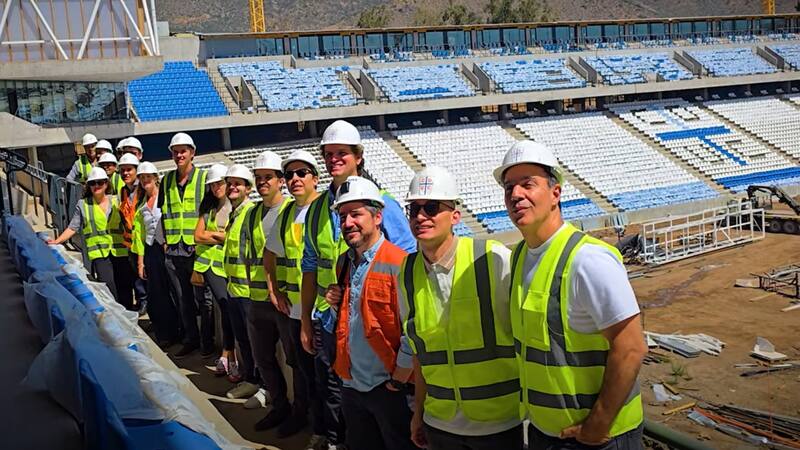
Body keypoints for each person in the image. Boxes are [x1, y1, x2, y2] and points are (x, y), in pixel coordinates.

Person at [495, 141, 646, 449]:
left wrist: (597, 424)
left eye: (528, 184)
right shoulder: (521, 255)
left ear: (556, 193)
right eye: (509, 187)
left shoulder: (588, 260)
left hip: (598, 438)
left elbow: (631, 348)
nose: (516, 195)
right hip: (545, 433)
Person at [300, 120, 415, 449]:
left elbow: (405, 266)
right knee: (341, 405)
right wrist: (312, 316)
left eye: (342, 153)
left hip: (383, 351)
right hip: (335, 327)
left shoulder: (383, 203)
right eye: (328, 154)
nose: (334, 159)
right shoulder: (319, 209)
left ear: (358, 157)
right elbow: (311, 265)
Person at [397, 166, 521, 450]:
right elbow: (421, 353)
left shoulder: (493, 258)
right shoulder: (406, 273)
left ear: (455, 215)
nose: (420, 216)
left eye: (430, 207)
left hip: (500, 423)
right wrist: (419, 413)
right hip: (441, 425)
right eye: (413, 209)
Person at [325, 176, 416, 450]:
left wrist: (399, 380)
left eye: (356, 214)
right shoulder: (344, 262)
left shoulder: (399, 263)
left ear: (378, 218)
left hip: (388, 388)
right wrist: (335, 301)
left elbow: (412, 329)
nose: (348, 223)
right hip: (352, 384)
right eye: (343, 216)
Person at [264, 150, 322, 442]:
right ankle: (305, 419)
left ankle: (327, 431)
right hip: (293, 311)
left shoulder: (326, 209)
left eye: (302, 173)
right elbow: (270, 254)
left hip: (321, 311)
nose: (295, 179)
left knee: (326, 378)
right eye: (290, 175)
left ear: (315, 177)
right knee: (299, 369)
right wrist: (273, 290)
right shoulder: (286, 213)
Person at [243, 151, 293, 430]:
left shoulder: (289, 211)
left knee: (294, 361)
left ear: (279, 181)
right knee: (264, 359)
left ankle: (300, 414)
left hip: (285, 300)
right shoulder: (253, 214)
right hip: (258, 299)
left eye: (268, 178)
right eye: (259, 178)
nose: (263, 183)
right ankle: (279, 406)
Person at [48, 167, 132, 309]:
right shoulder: (83, 205)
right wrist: (57, 241)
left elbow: (128, 223)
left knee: (125, 285)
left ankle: (130, 315)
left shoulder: (116, 201)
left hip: (120, 251)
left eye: (100, 182)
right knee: (108, 287)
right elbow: (72, 227)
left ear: (106, 183)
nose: (96, 186)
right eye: (93, 183)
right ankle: (118, 316)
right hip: (99, 254)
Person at [159, 132, 208, 359]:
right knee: (183, 299)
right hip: (175, 250)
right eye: (175, 151)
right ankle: (191, 339)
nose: (179, 155)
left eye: (183, 151)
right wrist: (166, 242)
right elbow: (164, 213)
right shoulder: (167, 181)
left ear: (192, 153)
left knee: (203, 300)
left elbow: (208, 214)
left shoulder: (203, 179)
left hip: (195, 250)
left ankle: (207, 343)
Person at [220, 164, 260, 399]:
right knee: (243, 340)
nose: (233, 187)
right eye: (230, 183)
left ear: (248, 188)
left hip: (248, 291)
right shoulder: (234, 213)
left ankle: (259, 383)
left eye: (238, 183)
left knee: (254, 343)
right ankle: (249, 380)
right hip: (234, 288)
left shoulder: (249, 213)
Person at [132, 161, 180, 347]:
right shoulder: (141, 206)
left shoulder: (165, 197)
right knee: (157, 294)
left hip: (167, 248)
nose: (145, 181)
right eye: (142, 178)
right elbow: (141, 236)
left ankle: (181, 331)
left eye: (148, 177)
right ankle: (165, 334)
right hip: (152, 250)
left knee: (175, 292)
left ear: (155, 178)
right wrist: (141, 262)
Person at [193, 163, 233, 360]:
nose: (216, 188)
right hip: (206, 265)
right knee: (208, 307)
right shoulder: (209, 207)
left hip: (225, 266)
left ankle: (227, 352)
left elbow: (232, 238)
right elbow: (198, 236)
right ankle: (221, 350)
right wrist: (218, 235)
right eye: (213, 185)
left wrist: (214, 235)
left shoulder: (234, 206)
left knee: (225, 307)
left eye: (220, 183)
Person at [115, 153, 142, 312]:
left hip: (144, 243)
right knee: (136, 280)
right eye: (122, 170)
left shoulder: (143, 189)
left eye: (129, 170)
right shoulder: (123, 191)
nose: (125, 173)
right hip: (131, 243)